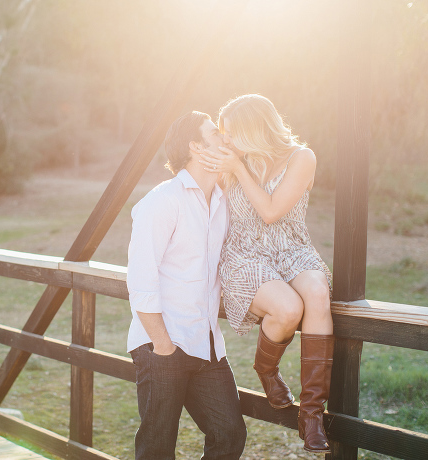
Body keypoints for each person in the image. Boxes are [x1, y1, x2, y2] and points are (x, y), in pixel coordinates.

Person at [198, 94, 334, 453]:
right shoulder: (232, 163)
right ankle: (267, 370)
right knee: (289, 309)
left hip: (292, 249)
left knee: (318, 293)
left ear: (253, 128)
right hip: (245, 255)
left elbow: (272, 211)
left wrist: (239, 170)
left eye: (231, 133)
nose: (226, 141)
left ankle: (311, 415)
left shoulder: (301, 158)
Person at [126, 111, 247, 460]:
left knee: (229, 433)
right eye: (215, 133)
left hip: (207, 347)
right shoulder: (162, 201)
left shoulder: (224, 202)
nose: (225, 138)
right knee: (157, 448)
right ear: (196, 146)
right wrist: (163, 346)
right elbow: (142, 278)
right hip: (164, 346)